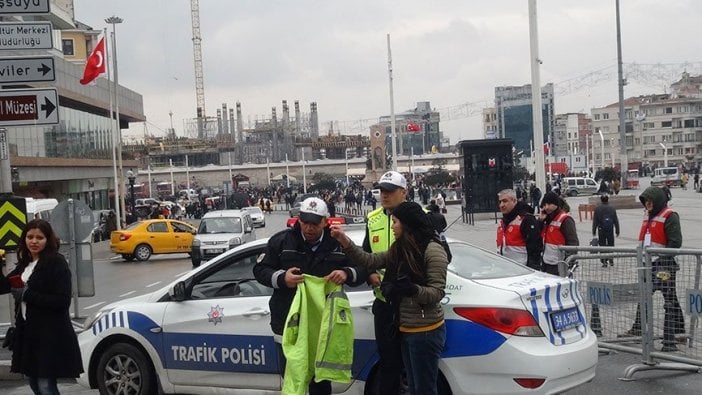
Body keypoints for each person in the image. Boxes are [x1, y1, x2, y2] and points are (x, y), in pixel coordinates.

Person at [330, 201, 448, 395]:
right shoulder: (400, 248)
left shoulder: (432, 249)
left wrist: (411, 289)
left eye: (395, 222)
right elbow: (371, 260)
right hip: (405, 328)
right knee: (413, 386)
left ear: (407, 224)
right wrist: (345, 241)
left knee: (425, 389)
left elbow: (437, 293)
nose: (392, 226)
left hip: (425, 331)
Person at [253, 197, 366, 394]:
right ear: (299, 220)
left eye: (315, 223)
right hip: (288, 321)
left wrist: (347, 273)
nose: (309, 228)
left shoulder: (338, 243)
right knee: (292, 376)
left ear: (325, 221)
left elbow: (364, 266)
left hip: (323, 324)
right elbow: (260, 269)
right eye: (305, 222)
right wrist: (282, 279)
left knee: (319, 379)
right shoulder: (281, 241)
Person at [0, 219, 83, 394]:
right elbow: (4, 286)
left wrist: (27, 295)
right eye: (30, 237)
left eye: (40, 237)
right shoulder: (25, 265)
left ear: (48, 240)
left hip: (50, 334)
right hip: (29, 334)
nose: (34, 241)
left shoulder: (56, 263)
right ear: (24, 239)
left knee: (45, 384)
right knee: (34, 383)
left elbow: (62, 301)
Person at [362, 170, 408, 394]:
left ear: (404, 192)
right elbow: (365, 256)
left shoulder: (420, 216)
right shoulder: (373, 219)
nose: (385, 195)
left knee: (412, 363)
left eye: (390, 191)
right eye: (382, 191)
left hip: (411, 304)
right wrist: (369, 274)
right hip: (384, 304)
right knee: (388, 363)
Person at [623, 186, 685, 351]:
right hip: (648, 263)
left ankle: (678, 332)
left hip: (663, 264)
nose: (648, 204)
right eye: (645, 201)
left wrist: (663, 258)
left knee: (670, 298)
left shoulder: (669, 216)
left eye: (650, 201)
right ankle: (639, 327)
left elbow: (675, 241)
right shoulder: (648, 215)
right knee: (644, 295)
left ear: (657, 201)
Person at [496, 189, 543, 270]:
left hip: (522, 271)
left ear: (514, 201)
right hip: (505, 269)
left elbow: (535, 249)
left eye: (505, 201)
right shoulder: (503, 221)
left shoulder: (526, 219)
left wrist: (532, 270)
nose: (501, 205)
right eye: (500, 202)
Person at [539, 192, 579, 276]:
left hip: (560, 264)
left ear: (556, 204)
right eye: (544, 204)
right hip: (546, 263)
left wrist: (568, 263)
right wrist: (540, 221)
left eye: (549, 204)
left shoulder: (565, 219)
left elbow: (572, 242)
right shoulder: (546, 219)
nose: (546, 207)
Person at [592, 194, 620, 267]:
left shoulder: (598, 209)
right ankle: (611, 258)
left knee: (602, 245)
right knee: (611, 244)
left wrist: (594, 230)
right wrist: (617, 230)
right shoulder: (612, 208)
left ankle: (604, 261)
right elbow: (615, 220)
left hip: (601, 229)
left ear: (601, 200)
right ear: (608, 200)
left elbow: (595, 221)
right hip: (610, 229)